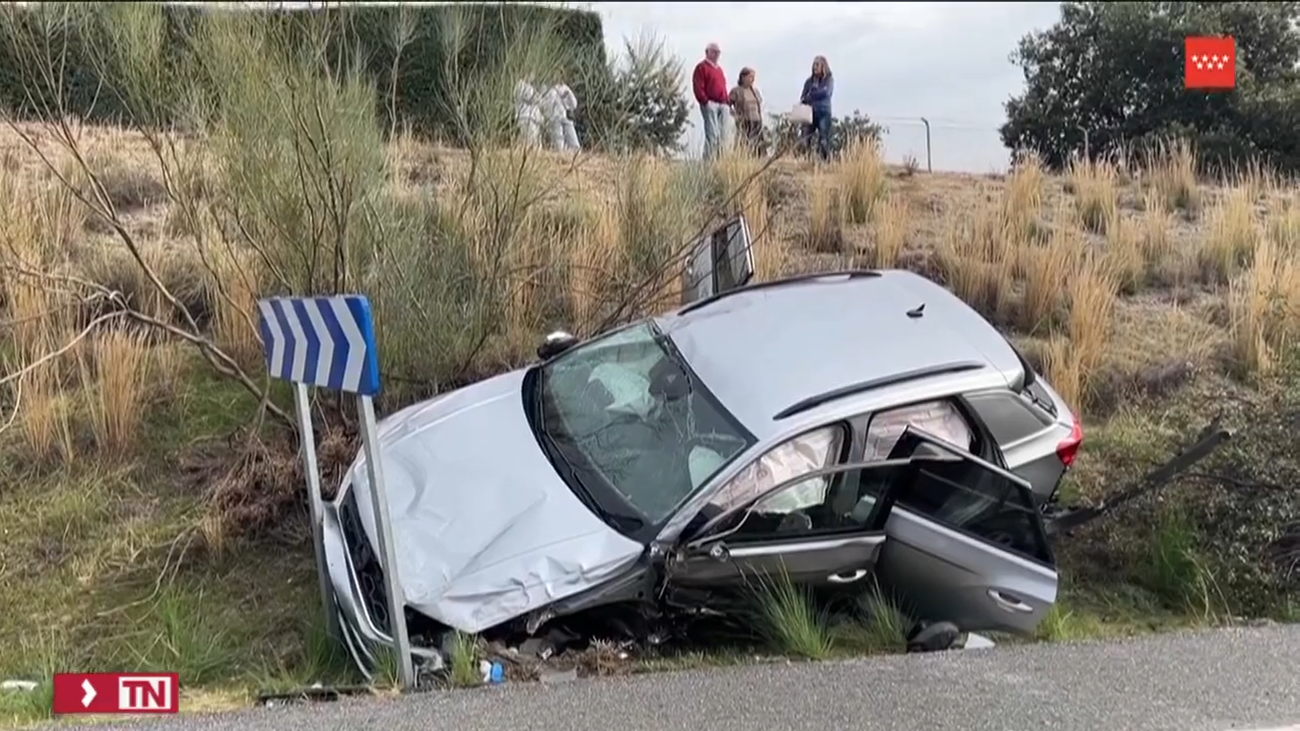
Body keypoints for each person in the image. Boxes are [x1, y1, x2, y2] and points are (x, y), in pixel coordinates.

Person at [692, 42, 730, 159]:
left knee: (723, 135)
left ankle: (721, 160)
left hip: (722, 104)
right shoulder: (701, 67)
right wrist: (704, 101)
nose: (717, 54)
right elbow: (698, 86)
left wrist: (727, 102)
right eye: (714, 51)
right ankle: (709, 160)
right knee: (712, 134)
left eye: (718, 52)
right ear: (707, 52)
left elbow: (723, 86)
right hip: (710, 103)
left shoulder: (719, 70)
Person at [799, 55, 834, 161]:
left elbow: (827, 93)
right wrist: (810, 97)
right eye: (814, 64)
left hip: (824, 112)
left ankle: (826, 161)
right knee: (805, 138)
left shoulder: (829, 80)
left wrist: (812, 95)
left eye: (817, 65)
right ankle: (806, 160)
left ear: (823, 66)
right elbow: (803, 97)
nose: (815, 67)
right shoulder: (809, 82)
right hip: (810, 113)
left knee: (823, 140)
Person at [728, 67, 764, 153]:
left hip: (756, 119)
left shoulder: (755, 91)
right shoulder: (736, 91)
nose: (752, 79)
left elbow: (759, 104)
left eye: (753, 77)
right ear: (743, 77)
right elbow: (727, 105)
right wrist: (735, 115)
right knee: (744, 141)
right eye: (750, 77)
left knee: (757, 141)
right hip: (744, 120)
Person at [540, 81, 581, 151]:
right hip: (553, 119)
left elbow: (574, 105)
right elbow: (543, 105)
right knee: (559, 146)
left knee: (575, 145)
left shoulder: (563, 87)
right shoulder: (544, 88)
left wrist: (568, 96)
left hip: (564, 117)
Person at [514, 76, 542, 147]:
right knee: (529, 142)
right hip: (526, 117)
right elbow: (532, 98)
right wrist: (538, 96)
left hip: (532, 118)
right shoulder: (521, 85)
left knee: (534, 142)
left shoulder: (529, 86)